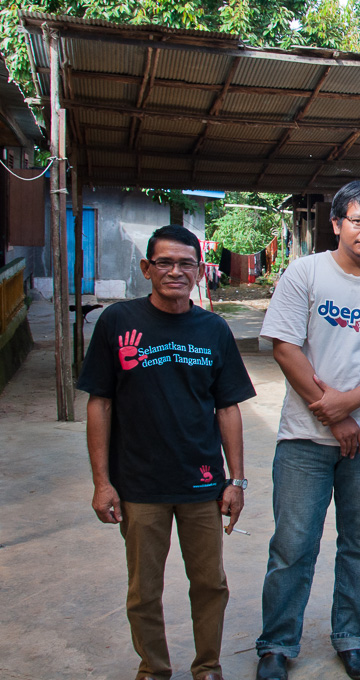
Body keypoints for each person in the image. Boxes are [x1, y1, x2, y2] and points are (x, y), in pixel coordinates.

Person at [255, 181, 360, 680]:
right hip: (304, 438)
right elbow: (285, 347)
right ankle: (277, 644)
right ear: (336, 224)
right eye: (359, 220)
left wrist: (349, 407)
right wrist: (333, 414)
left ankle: (352, 637)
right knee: (293, 544)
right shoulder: (305, 274)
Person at [79, 225, 256, 680]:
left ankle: (208, 667)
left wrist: (236, 480)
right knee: (143, 590)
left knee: (210, 583)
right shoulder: (118, 323)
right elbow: (99, 402)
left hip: (200, 482)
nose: (176, 271)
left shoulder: (213, 329)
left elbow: (227, 407)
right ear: (147, 268)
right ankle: (153, 669)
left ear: (200, 271)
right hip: (138, 483)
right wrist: (102, 482)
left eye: (186, 264)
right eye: (165, 262)